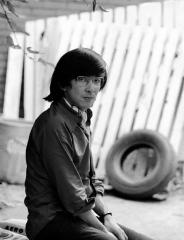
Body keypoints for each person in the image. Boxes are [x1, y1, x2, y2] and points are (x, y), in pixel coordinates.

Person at [24, 48, 155, 240]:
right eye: (82, 79)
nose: (91, 88)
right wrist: (104, 230)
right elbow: (72, 194)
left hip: (79, 214)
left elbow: (90, 181)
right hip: (50, 222)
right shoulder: (53, 125)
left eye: (96, 80)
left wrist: (108, 218)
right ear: (63, 84)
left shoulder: (81, 116)